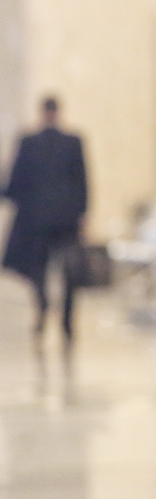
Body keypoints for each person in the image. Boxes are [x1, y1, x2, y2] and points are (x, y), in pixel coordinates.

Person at [2, 96, 88, 356]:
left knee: (38, 270)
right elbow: (82, 183)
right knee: (67, 273)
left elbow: (15, 183)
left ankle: (44, 309)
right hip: (65, 220)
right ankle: (65, 321)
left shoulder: (30, 143)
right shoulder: (72, 142)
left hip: (36, 221)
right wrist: (82, 214)